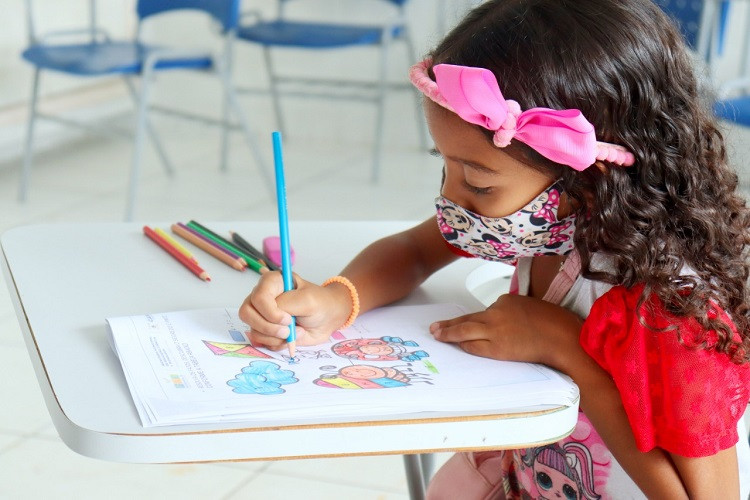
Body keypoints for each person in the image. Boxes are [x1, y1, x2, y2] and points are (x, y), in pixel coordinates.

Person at [238, 0, 750, 497]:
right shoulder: (550, 223)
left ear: (588, 179)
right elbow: (417, 250)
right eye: (447, 165)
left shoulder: (670, 308)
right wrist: (335, 299)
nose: (451, 199)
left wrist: (566, 348)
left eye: (479, 184)